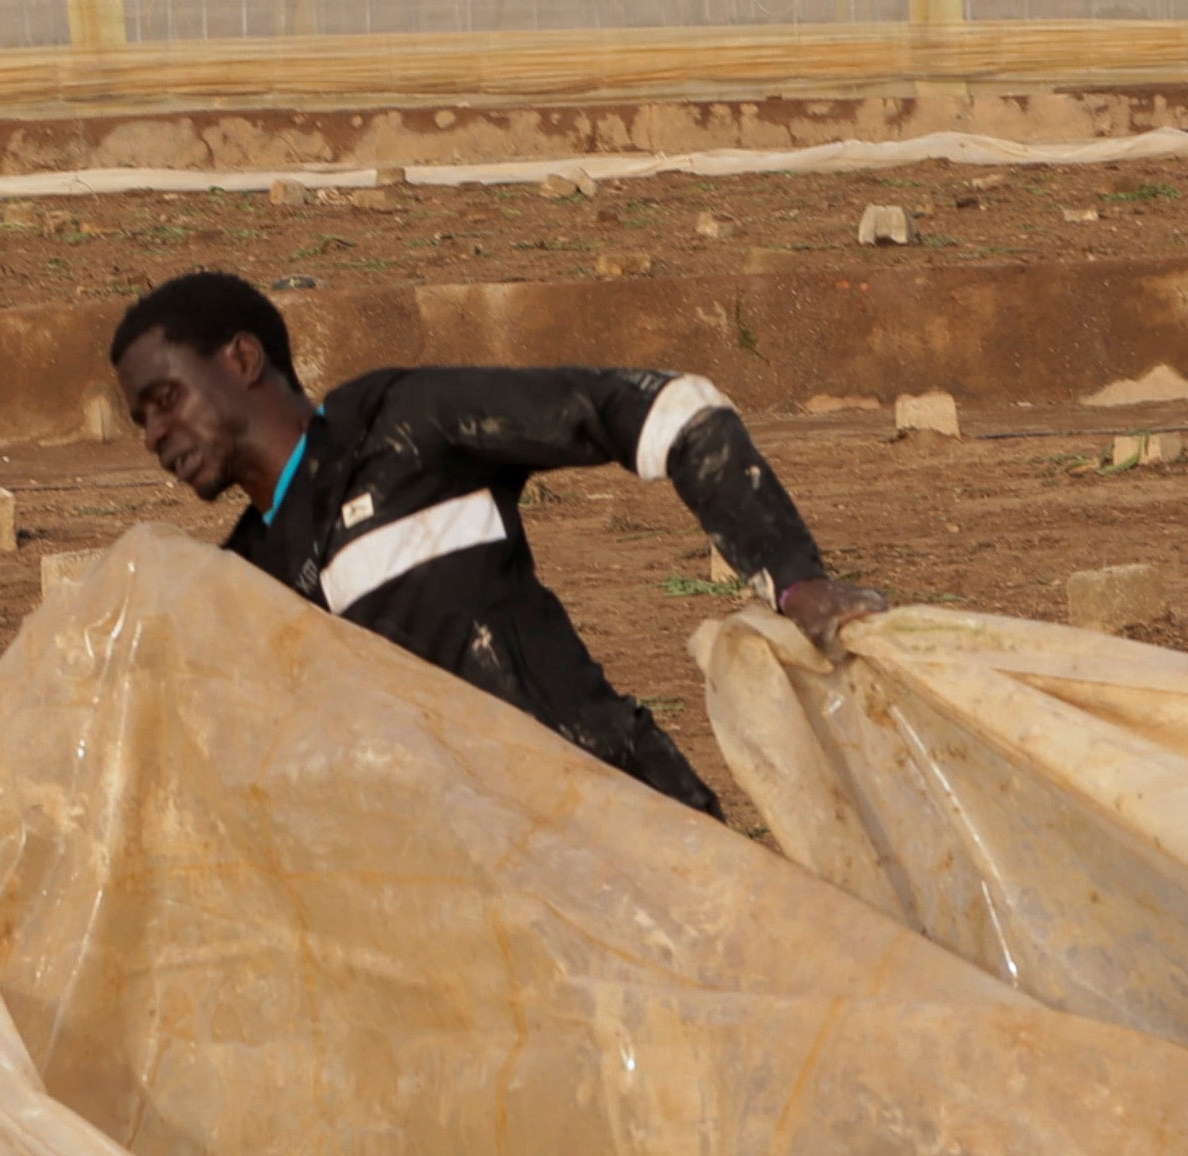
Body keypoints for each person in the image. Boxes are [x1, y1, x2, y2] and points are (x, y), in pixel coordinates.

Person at [107, 267, 862, 814]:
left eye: (164, 400)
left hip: (627, 826)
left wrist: (793, 580)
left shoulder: (401, 427)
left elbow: (667, 409)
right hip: (472, 929)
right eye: (140, 419)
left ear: (242, 360)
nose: (153, 435)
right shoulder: (247, 583)